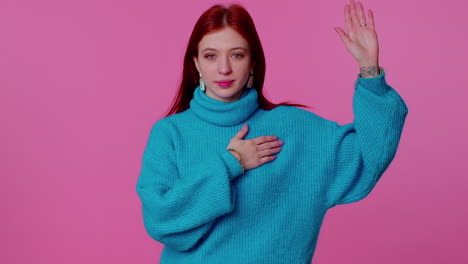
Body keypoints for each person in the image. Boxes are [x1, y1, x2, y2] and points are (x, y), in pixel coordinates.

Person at [136, 1, 408, 263]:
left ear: (253, 62)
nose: (224, 68)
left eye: (237, 55)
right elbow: (161, 219)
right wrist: (231, 163)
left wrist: (369, 70)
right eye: (210, 55)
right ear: (195, 64)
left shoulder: (297, 129)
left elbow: (368, 156)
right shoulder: (170, 133)